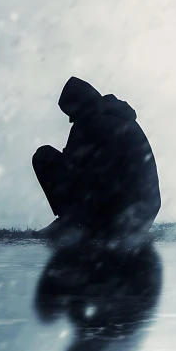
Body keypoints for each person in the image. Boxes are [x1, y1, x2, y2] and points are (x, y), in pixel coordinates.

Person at [32, 76, 161, 240]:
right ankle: (70, 220)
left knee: (47, 157)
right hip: (131, 211)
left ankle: (71, 221)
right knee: (50, 159)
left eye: (72, 112)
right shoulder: (96, 119)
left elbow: (100, 173)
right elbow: (76, 163)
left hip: (127, 213)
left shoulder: (103, 122)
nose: (72, 119)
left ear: (80, 106)